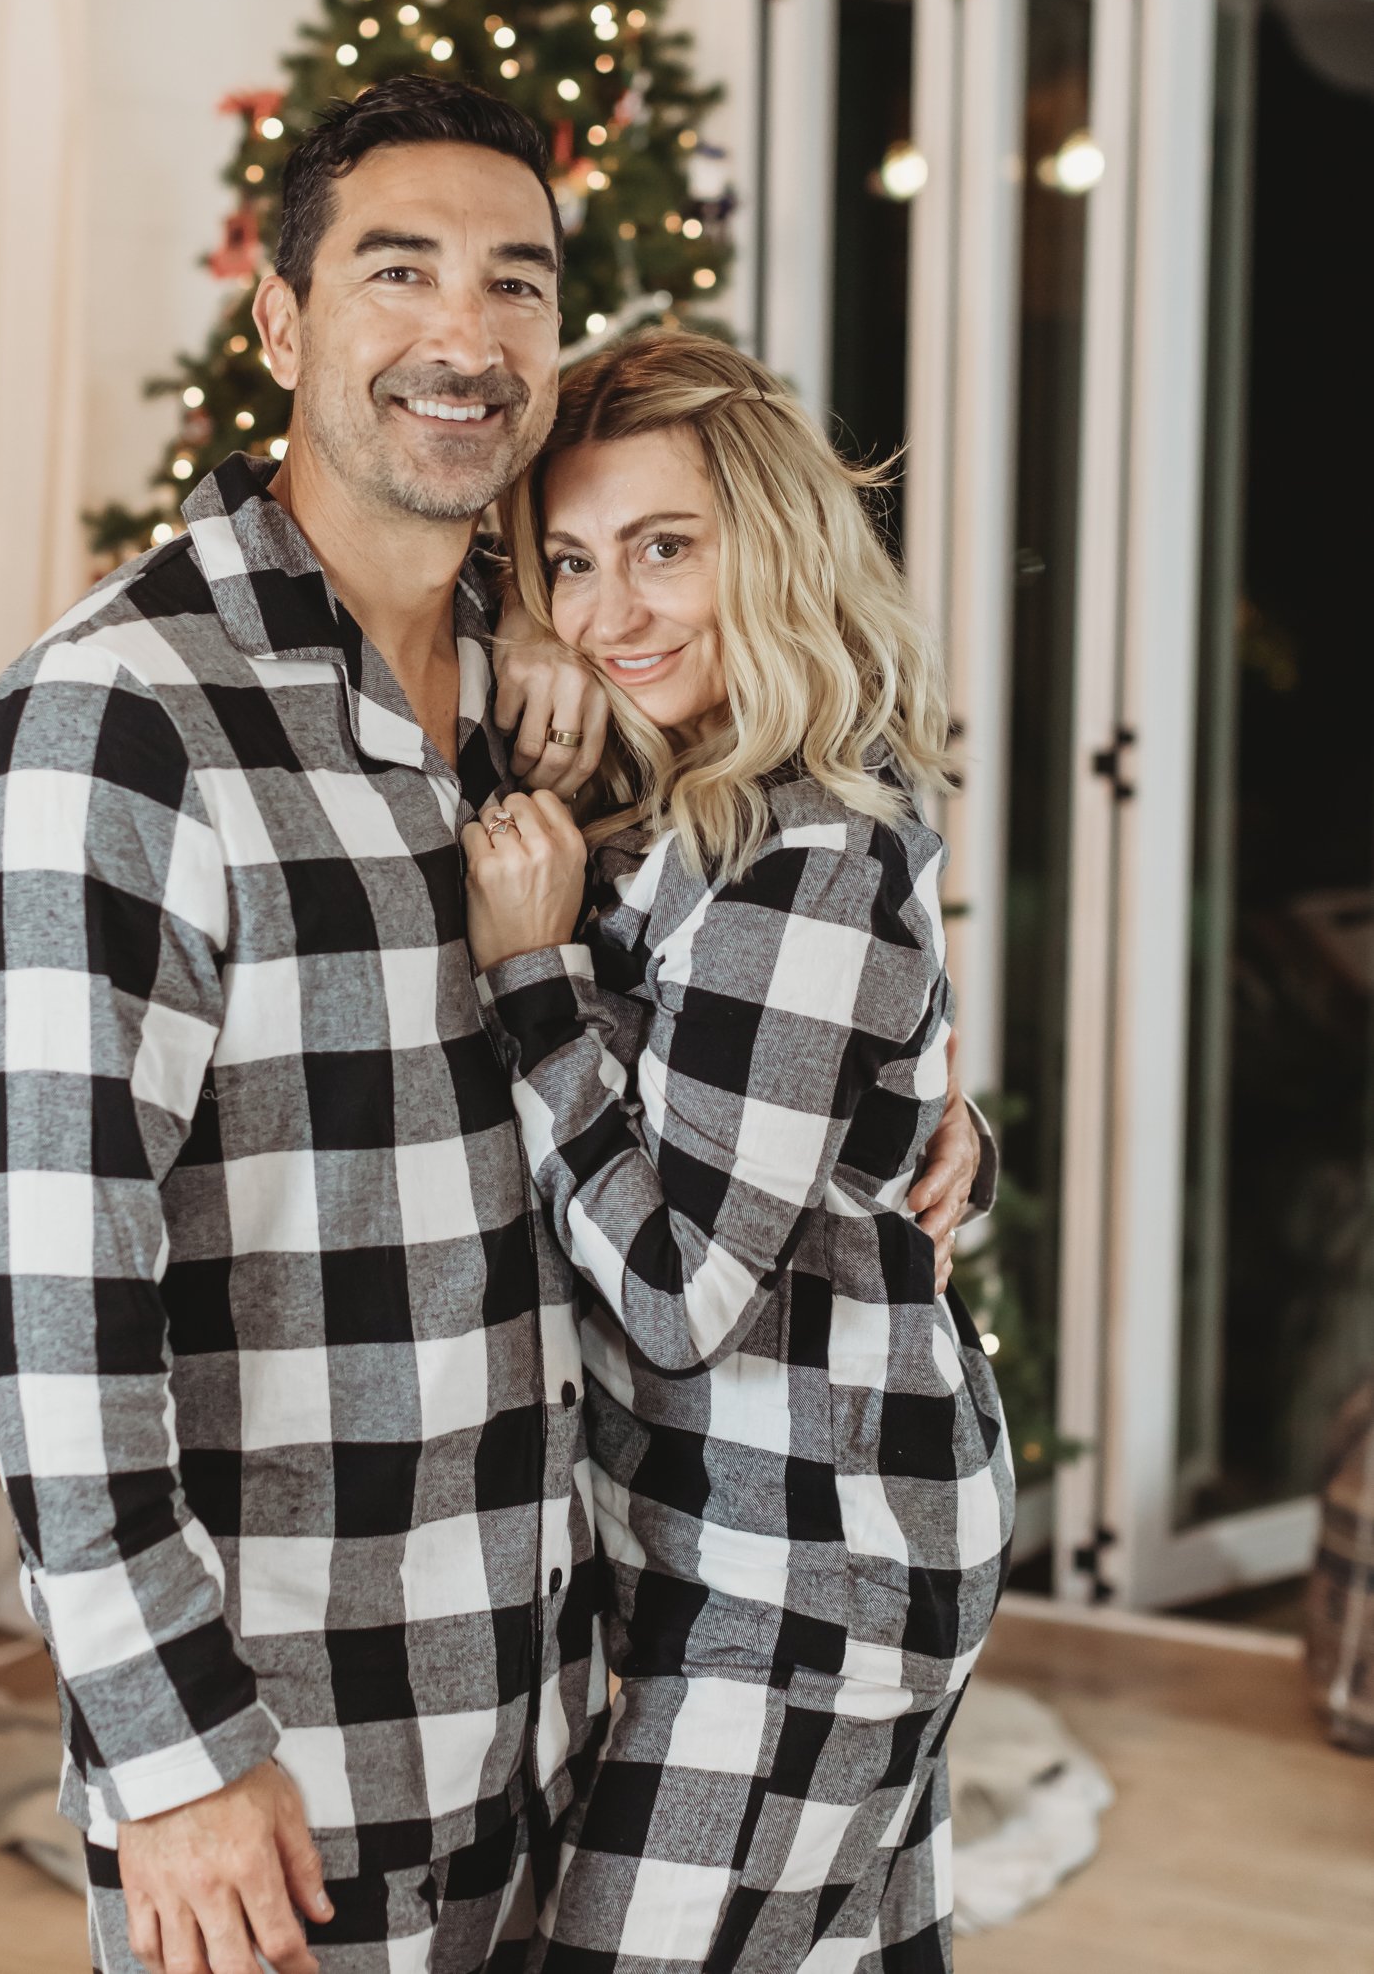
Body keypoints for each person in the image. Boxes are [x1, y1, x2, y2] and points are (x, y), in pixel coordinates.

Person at [0, 76, 985, 1974]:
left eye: (515, 282)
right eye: (398, 269)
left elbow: (768, 988)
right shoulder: (120, 719)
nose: (463, 332)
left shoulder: (549, 707)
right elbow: (36, 1272)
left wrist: (918, 1130)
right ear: (282, 321)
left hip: (570, 1665)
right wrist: (167, 1742)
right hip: (304, 1717)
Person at [462, 332, 1013, 1973]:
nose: (612, 610)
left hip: (814, 1567)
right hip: (748, 1540)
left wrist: (527, 977)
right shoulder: (678, 805)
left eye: (665, 549)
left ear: (766, 548)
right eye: (571, 561)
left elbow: (683, 1293)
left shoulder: (803, 856)